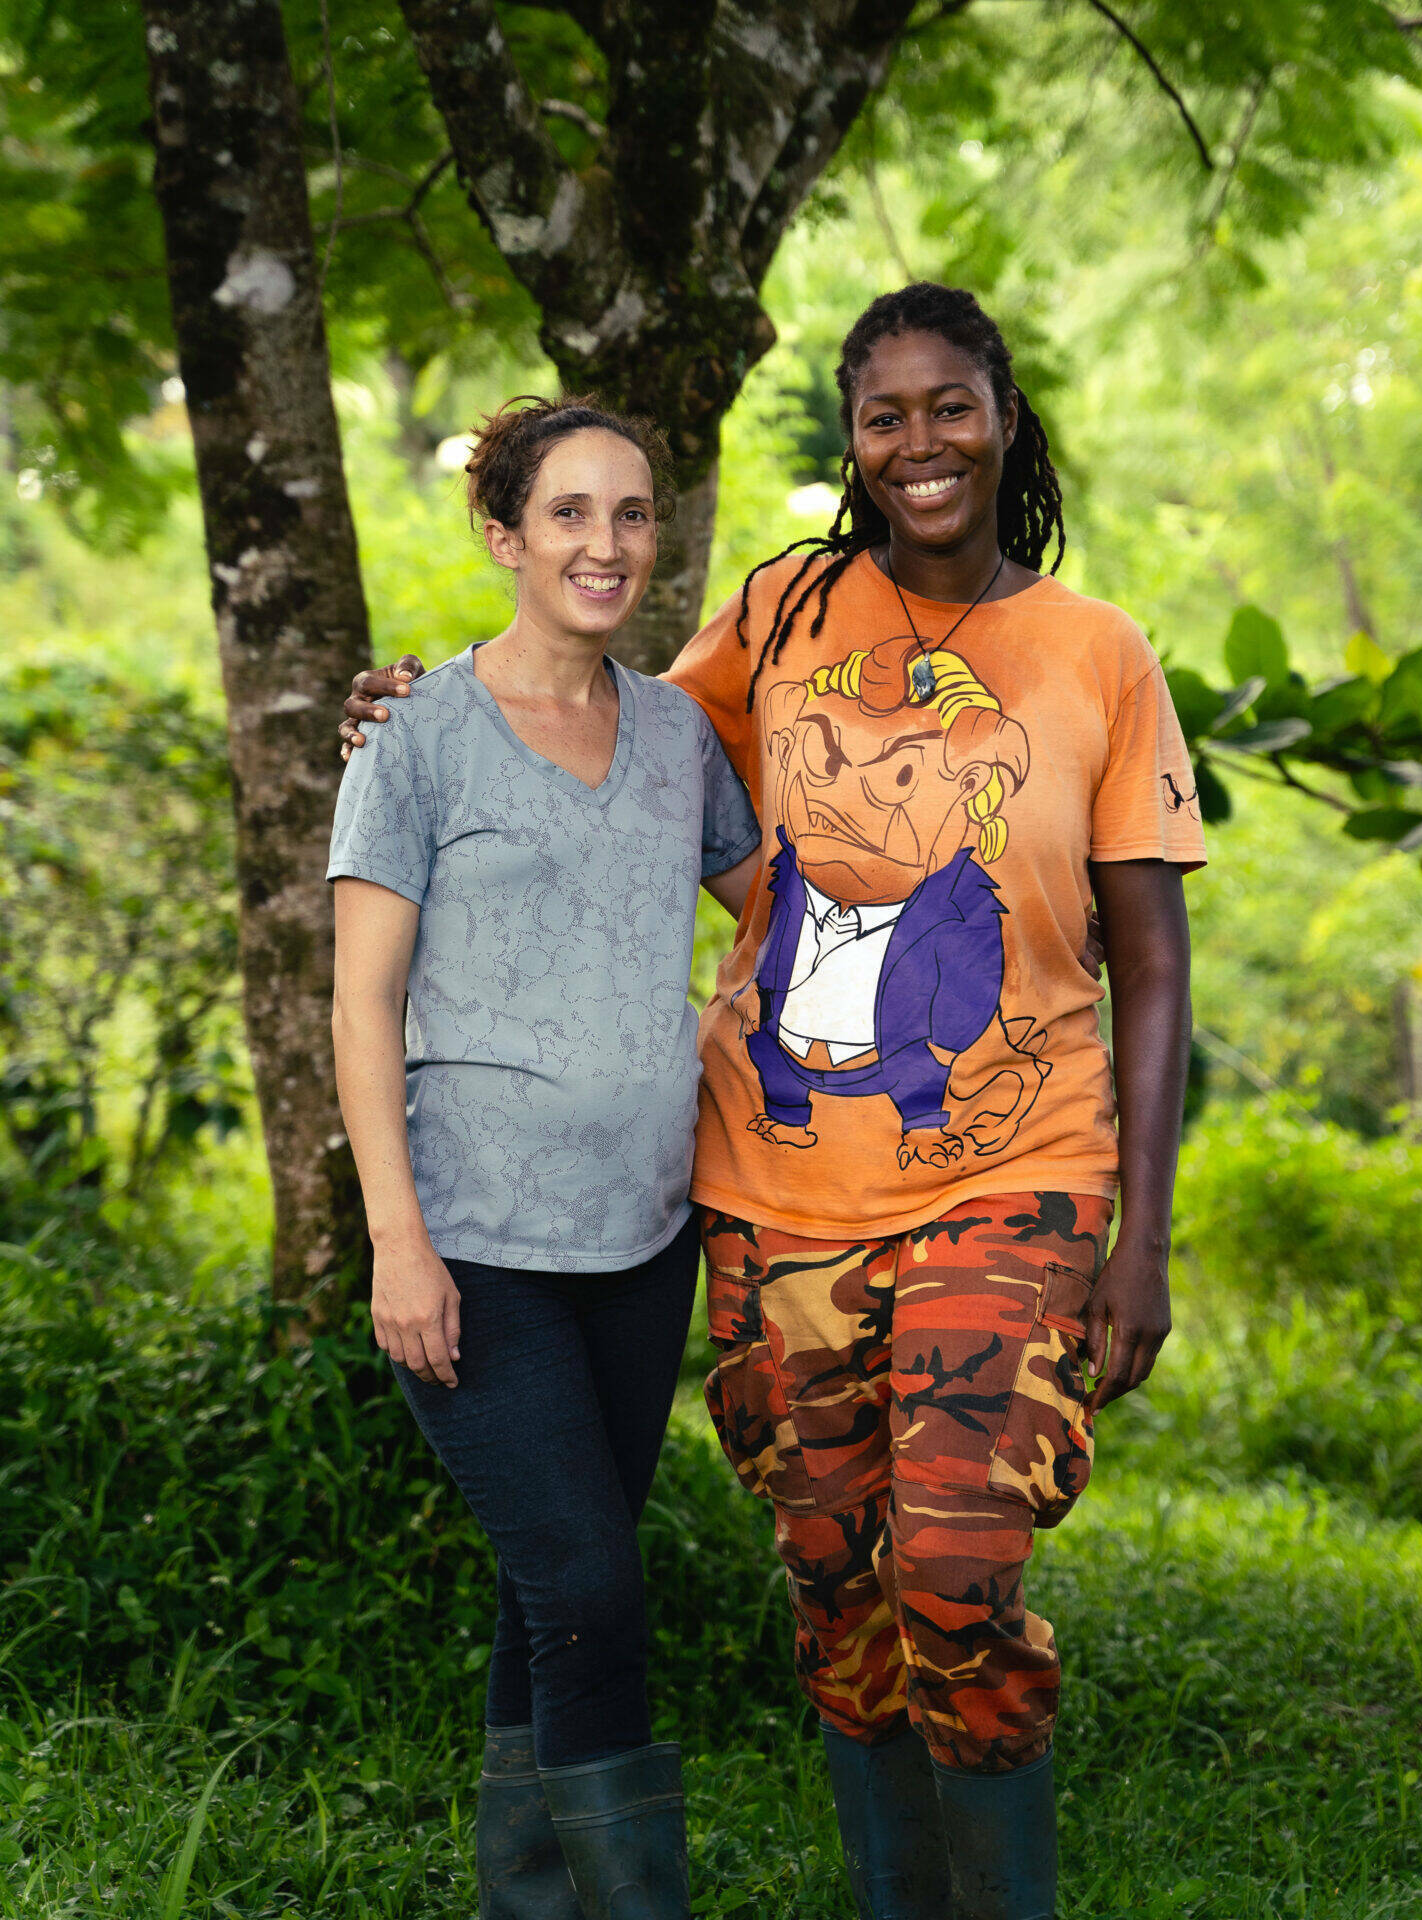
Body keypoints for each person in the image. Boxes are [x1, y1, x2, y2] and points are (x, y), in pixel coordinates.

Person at [342, 284, 1204, 1920]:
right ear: (854, 442)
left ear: (1004, 419)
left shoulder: (1098, 652)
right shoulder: (782, 613)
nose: (920, 442)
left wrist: (1144, 1239)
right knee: (833, 1580)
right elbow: (602, 734)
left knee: (954, 1564)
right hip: (773, 1185)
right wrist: (414, 713)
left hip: (1013, 1166)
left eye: (951, 406)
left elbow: (1154, 964)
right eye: (885, 415)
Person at [328, 395, 759, 1920]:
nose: (606, 543)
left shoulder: (679, 739)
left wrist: (733, 1012)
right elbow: (361, 1006)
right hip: (474, 1244)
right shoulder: (414, 739)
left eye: (630, 513)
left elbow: (782, 911)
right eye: (568, 512)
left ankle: (528, 1899)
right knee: (591, 1588)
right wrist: (398, 1241)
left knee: (553, 1592)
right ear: (503, 537)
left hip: (642, 1240)